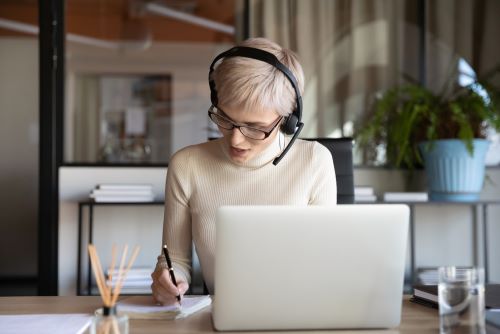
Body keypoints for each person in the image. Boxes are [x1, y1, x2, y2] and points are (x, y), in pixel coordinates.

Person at [151, 37, 337, 305]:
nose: (236, 140)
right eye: (225, 119)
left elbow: (325, 264)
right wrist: (168, 279)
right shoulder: (187, 165)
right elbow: (176, 261)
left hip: (298, 312)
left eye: (254, 127)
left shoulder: (315, 161)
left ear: (288, 121)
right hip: (221, 316)